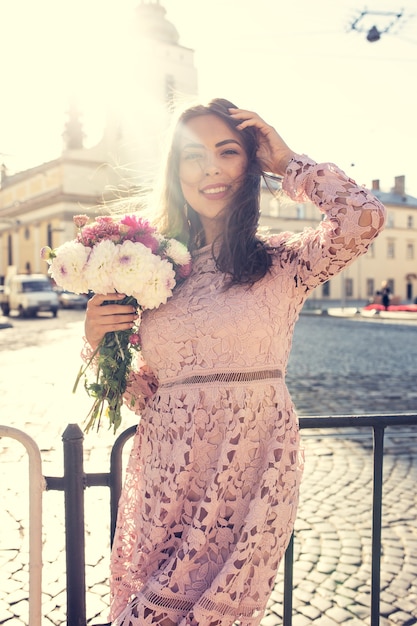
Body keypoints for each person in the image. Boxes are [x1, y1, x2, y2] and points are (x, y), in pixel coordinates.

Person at [84, 98, 386, 626]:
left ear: (249, 163)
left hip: (253, 471)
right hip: (167, 474)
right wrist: (96, 342)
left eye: (228, 152)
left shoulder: (284, 261)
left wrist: (287, 160)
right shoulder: (153, 272)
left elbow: (363, 217)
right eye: (193, 155)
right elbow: (137, 394)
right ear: (175, 171)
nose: (211, 169)